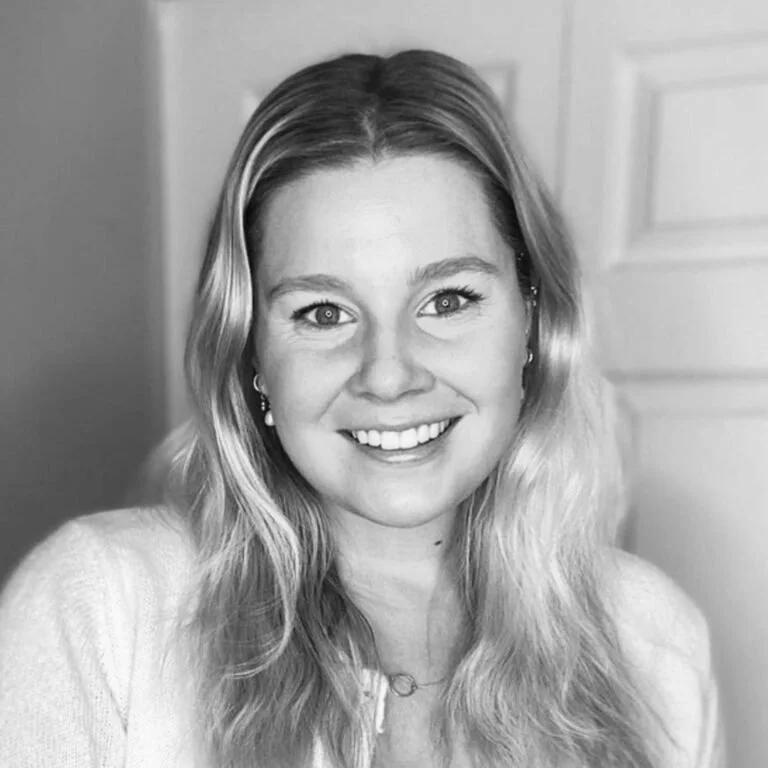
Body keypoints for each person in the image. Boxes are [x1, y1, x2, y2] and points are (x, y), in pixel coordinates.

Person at [0, 50, 723, 768]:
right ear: (252, 352)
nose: (388, 375)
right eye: (323, 313)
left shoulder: (652, 639)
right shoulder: (102, 604)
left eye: (448, 300)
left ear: (532, 321)